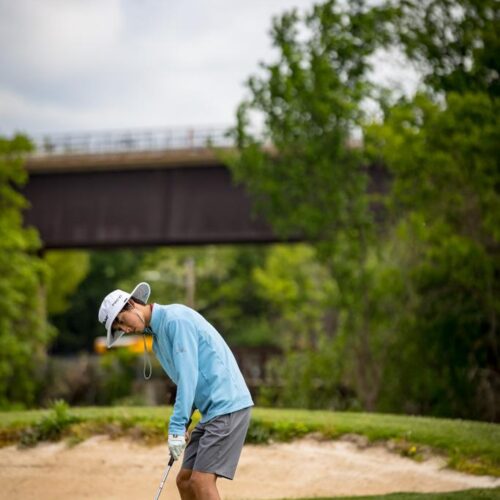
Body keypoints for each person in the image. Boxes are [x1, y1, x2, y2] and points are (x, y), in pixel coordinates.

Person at [98, 282, 253, 500]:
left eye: (121, 322)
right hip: (212, 412)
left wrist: (177, 426)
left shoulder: (176, 320)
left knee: (201, 481)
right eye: (119, 329)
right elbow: (185, 383)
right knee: (184, 481)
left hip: (228, 405)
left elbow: (189, 376)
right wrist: (185, 422)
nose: (125, 330)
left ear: (131, 304)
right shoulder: (158, 342)